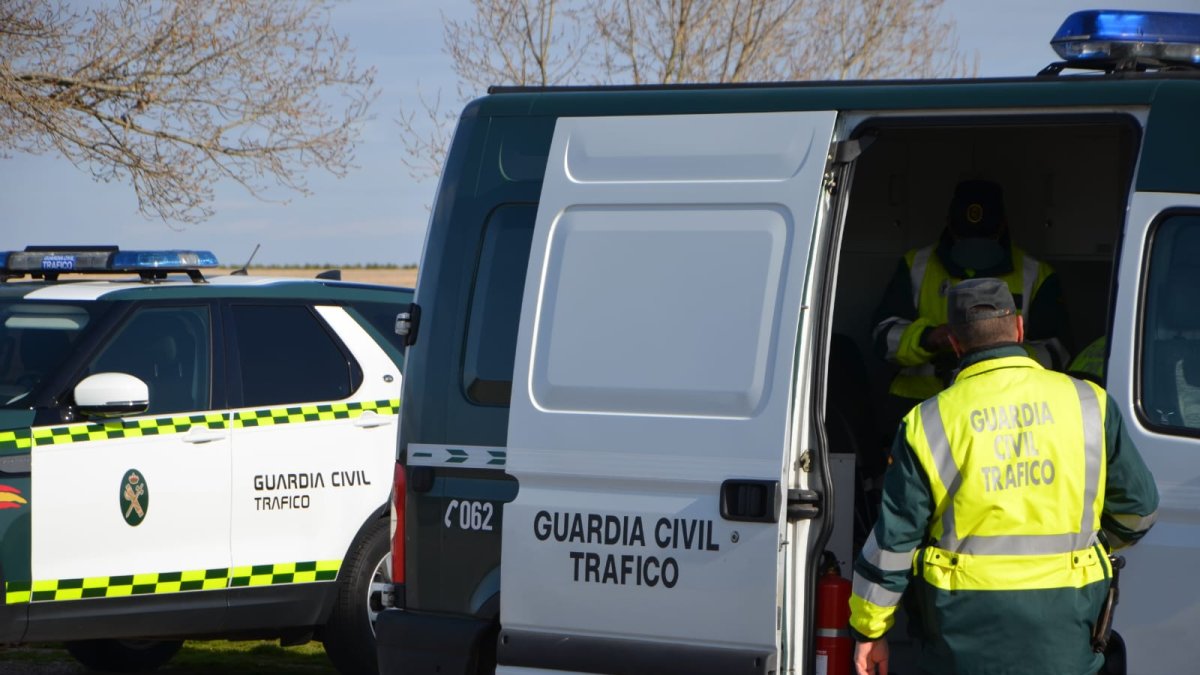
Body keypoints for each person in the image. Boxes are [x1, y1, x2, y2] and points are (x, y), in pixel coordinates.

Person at [849, 278, 1159, 675]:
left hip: (960, 633)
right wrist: (1091, 544)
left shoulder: (927, 422)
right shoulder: (1089, 404)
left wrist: (869, 630)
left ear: (956, 344)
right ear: (1020, 329)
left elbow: (894, 542)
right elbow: (1140, 511)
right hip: (1065, 627)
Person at [872, 179, 1071, 432]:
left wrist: (997, 349)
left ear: (1002, 228)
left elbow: (1058, 354)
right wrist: (930, 337)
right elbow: (882, 336)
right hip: (919, 408)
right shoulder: (916, 265)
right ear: (949, 226)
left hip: (1006, 410)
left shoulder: (1036, 274)